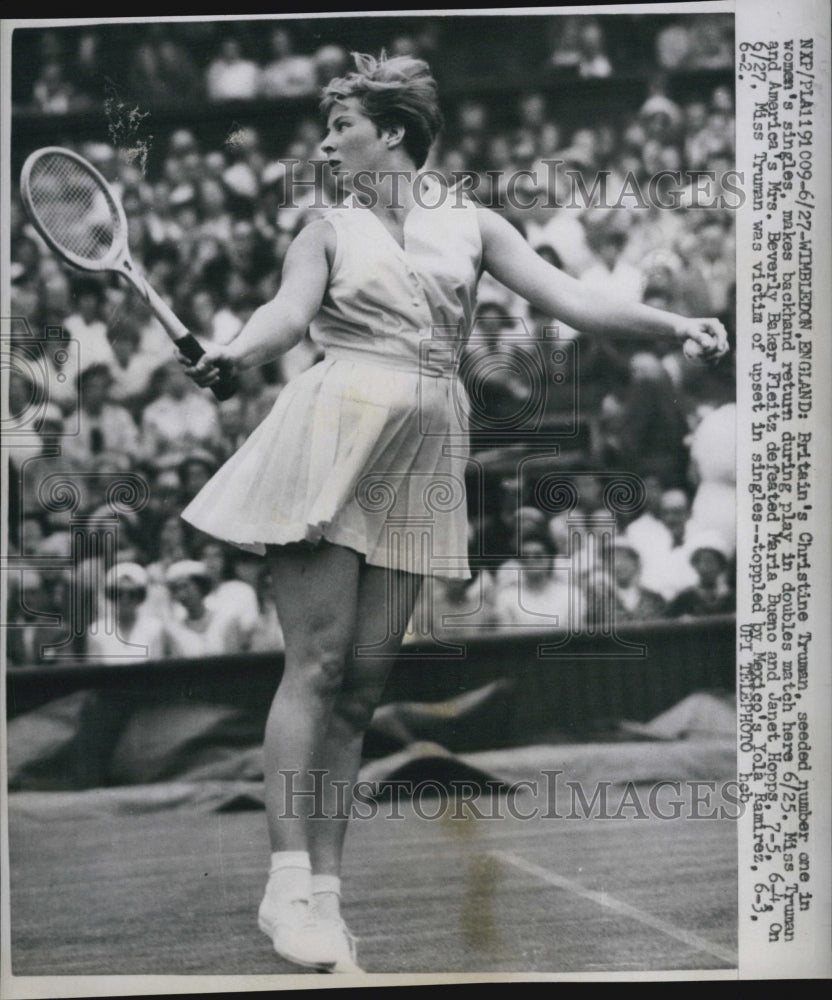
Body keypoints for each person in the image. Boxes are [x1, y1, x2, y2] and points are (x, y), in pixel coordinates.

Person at [177, 51, 728, 974]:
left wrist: (675, 326)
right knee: (313, 665)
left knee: (359, 688)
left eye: (341, 126)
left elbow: (575, 299)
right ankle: (284, 883)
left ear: (391, 132)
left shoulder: (472, 223)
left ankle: (325, 895)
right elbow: (284, 312)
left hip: (427, 445)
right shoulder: (323, 228)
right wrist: (235, 350)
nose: (324, 141)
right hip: (330, 433)